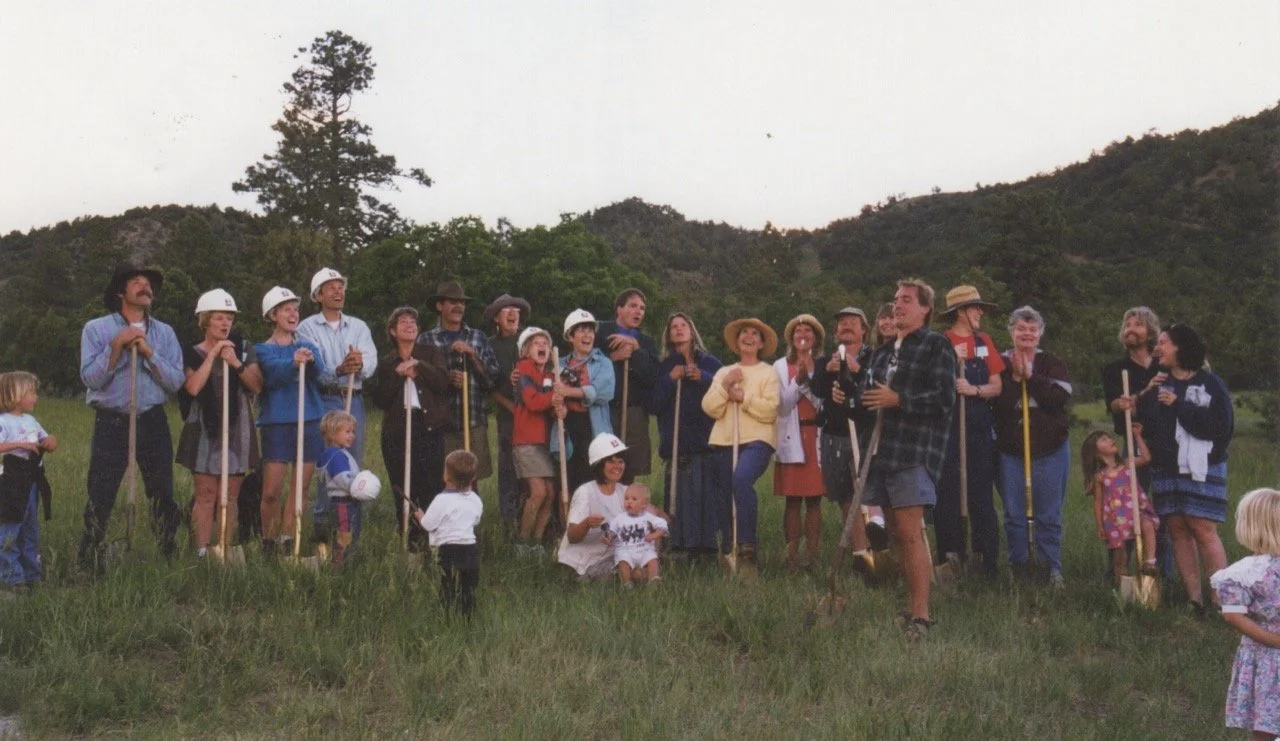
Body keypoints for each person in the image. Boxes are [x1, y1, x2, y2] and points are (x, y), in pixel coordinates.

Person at [862, 279, 956, 639]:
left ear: (924, 308)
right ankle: (911, 604)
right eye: (895, 299)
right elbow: (867, 397)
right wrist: (848, 395)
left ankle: (921, 616)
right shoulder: (882, 353)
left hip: (915, 449)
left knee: (909, 531)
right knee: (896, 533)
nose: (897, 305)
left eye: (906, 300)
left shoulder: (936, 345)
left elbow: (944, 398)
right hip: (881, 451)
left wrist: (899, 399)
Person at [78, 263, 185, 569]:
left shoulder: (165, 332)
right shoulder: (96, 329)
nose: (145, 285)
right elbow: (91, 379)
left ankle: (167, 554)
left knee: (162, 490)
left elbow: (176, 381)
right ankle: (89, 560)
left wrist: (149, 353)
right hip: (112, 421)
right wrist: (116, 346)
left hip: (152, 420)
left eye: (148, 282)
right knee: (101, 491)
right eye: (136, 281)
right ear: (120, 292)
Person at [1148, 323, 1234, 614]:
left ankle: (1221, 600)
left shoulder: (1210, 383)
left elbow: (1221, 428)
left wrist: (1179, 405)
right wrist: (1147, 394)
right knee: (1177, 530)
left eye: (1163, 342)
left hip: (1203, 468)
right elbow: (1148, 423)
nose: (1157, 348)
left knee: (1203, 530)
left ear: (1180, 348)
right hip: (1166, 468)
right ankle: (1194, 599)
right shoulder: (1160, 382)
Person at [177, 289, 264, 557]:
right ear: (205, 320)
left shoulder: (243, 348)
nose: (226, 323)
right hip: (204, 426)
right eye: (219, 318)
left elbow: (257, 386)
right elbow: (193, 387)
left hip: (237, 426)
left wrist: (235, 362)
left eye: (229, 318)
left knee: (230, 494)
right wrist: (214, 353)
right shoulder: (191, 351)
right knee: (205, 493)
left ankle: (224, 549)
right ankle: (202, 550)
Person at [296, 268, 378, 545]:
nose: (338, 291)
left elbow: (370, 361)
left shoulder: (359, 326)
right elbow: (315, 368)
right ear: (318, 296)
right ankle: (322, 524)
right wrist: (340, 369)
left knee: (351, 460)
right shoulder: (306, 328)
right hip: (325, 399)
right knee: (329, 460)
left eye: (341, 286)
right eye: (331, 287)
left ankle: (349, 526)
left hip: (353, 398)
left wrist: (359, 364)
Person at [993, 306, 1072, 587]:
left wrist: (1030, 377)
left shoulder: (1052, 362)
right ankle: (1018, 568)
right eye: (1021, 328)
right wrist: (1015, 380)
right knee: (1014, 515)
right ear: (1011, 332)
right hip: (1010, 451)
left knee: (1048, 515)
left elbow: (1057, 399)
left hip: (1050, 449)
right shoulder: (999, 363)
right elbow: (997, 405)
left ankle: (1051, 570)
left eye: (1032, 329)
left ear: (1040, 333)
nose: (1026, 333)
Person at [934, 285, 1004, 577]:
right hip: (948, 431)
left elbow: (997, 386)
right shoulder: (941, 343)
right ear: (961, 312)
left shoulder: (984, 341)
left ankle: (986, 565)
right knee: (947, 497)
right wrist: (951, 383)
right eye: (976, 308)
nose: (980, 313)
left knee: (981, 496)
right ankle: (949, 562)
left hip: (978, 429)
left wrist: (973, 389)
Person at [701, 317, 781, 567]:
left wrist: (743, 397)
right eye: (744, 333)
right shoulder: (724, 372)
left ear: (761, 343)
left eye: (755, 334)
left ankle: (747, 543)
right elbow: (710, 408)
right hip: (724, 441)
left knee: (742, 478)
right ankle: (730, 550)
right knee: (725, 494)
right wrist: (725, 386)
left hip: (757, 440)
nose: (749, 337)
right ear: (736, 342)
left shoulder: (768, 372)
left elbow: (771, 410)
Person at [254, 286, 327, 554]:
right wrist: (293, 363)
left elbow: (320, 371)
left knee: (300, 488)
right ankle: (269, 541)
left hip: (309, 421)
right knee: (271, 490)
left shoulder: (307, 345)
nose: (293, 314)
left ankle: (288, 540)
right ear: (273, 315)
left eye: (296, 309)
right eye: (286, 310)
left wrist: (310, 360)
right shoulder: (262, 350)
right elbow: (272, 375)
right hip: (277, 424)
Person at [1100, 306, 1172, 577]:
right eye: (1127, 325)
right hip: (1134, 446)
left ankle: (1161, 576)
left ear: (1150, 332)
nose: (1130, 329)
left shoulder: (1164, 365)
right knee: (1125, 510)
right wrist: (1124, 402)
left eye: (1137, 325)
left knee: (1164, 513)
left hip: (1166, 446)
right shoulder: (1115, 369)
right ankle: (1118, 575)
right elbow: (1113, 405)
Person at [811, 307, 884, 570]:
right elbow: (817, 389)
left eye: (853, 321)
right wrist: (828, 371)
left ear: (864, 329)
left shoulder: (875, 357)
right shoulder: (825, 360)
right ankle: (860, 554)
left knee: (867, 493)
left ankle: (881, 552)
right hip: (835, 435)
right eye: (842, 322)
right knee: (845, 497)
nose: (847, 325)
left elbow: (877, 386)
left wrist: (857, 369)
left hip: (865, 434)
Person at [372, 307, 450, 552]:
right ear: (393, 331)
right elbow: (380, 399)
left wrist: (420, 367)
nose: (410, 325)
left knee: (432, 487)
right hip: (397, 431)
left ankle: (432, 544)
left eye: (413, 322)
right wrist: (398, 374)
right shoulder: (387, 362)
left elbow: (443, 382)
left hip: (428, 428)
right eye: (404, 322)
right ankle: (411, 545)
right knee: (404, 488)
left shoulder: (431, 353)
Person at [648, 312, 725, 560]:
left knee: (707, 496)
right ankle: (679, 546)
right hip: (677, 443)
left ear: (692, 331)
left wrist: (703, 378)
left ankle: (708, 548)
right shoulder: (664, 366)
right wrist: (671, 378)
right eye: (674, 327)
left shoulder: (710, 363)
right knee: (680, 496)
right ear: (669, 335)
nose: (679, 329)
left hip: (707, 441)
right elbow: (653, 404)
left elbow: (725, 389)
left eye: (683, 325)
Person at [1210, 488, 1280, 739]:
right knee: (1268, 720)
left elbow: (1233, 615)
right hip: (1267, 655)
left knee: (1267, 725)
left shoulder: (1248, 571)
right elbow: (1233, 614)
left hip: (1267, 654)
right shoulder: (1248, 572)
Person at [417, 282, 501, 481]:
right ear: (440, 306)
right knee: (444, 479)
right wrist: (446, 378)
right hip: (440, 424)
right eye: (453, 302)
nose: (459, 307)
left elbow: (492, 379)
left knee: (472, 478)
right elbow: (420, 383)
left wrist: (472, 355)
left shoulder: (478, 337)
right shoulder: (425, 340)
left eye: (462, 303)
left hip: (472, 421)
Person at [773, 314, 826, 568]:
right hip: (791, 437)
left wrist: (808, 383)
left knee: (815, 499)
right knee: (793, 499)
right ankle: (791, 556)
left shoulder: (824, 365)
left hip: (816, 436)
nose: (802, 335)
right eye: (798, 331)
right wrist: (799, 380)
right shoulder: (780, 367)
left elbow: (822, 404)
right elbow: (782, 406)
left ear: (815, 337)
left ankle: (811, 556)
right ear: (791, 337)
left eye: (808, 331)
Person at [595, 288, 659, 484]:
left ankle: (626, 502)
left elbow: (652, 376)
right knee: (601, 462)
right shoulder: (600, 332)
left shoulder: (646, 342)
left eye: (642, 308)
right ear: (619, 309)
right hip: (604, 410)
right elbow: (588, 366)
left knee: (628, 467)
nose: (638, 311)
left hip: (633, 412)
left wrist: (636, 350)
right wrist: (614, 358)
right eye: (633, 306)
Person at [0, 372, 56, 591]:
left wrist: (50, 441)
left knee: (29, 528)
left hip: (31, 482)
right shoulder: (3, 422)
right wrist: (18, 445)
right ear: (15, 394)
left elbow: (45, 439)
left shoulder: (31, 421)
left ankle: (32, 574)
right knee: (10, 528)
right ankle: (11, 577)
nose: (36, 397)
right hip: (10, 483)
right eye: (31, 392)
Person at [1081, 426, 1158, 582]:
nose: (1110, 440)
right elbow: (1098, 501)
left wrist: (1137, 436)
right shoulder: (1100, 476)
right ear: (1096, 452)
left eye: (1109, 437)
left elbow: (1146, 458)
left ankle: (1150, 563)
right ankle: (1121, 580)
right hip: (1116, 517)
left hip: (1136, 511)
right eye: (1104, 439)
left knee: (1147, 525)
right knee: (1120, 552)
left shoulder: (1127, 464)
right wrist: (1100, 525)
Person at [550, 309, 615, 493]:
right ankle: (569, 512)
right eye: (581, 330)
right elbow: (549, 394)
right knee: (567, 481)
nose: (588, 335)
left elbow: (604, 393)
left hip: (592, 427)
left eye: (590, 330)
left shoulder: (603, 363)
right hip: (566, 425)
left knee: (593, 479)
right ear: (570, 336)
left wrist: (568, 391)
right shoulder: (558, 364)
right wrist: (557, 405)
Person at [414, 450, 484, 618]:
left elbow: (428, 524)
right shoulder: (475, 499)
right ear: (473, 477)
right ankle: (468, 617)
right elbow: (476, 520)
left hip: (449, 551)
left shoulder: (441, 500)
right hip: (471, 549)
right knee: (468, 588)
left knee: (448, 587)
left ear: (446, 476)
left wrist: (420, 516)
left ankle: (447, 618)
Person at [483, 293, 531, 534]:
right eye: (506, 310)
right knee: (509, 472)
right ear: (496, 318)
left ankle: (533, 525)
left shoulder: (531, 339)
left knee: (534, 473)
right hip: (508, 418)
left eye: (516, 309)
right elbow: (489, 386)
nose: (513, 313)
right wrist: (512, 408)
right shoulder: (490, 346)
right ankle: (510, 528)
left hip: (537, 416)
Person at [557, 433, 630, 581]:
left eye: (620, 461)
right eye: (611, 462)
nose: (617, 466)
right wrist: (586, 524)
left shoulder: (625, 491)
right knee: (632, 571)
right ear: (599, 464)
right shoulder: (586, 492)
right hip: (583, 563)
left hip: (612, 556)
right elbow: (572, 536)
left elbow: (650, 514)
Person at [512, 326, 558, 555]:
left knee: (550, 493)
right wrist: (555, 397)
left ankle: (537, 542)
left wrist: (558, 397)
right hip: (526, 440)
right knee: (538, 492)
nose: (542, 346)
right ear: (526, 351)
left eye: (545, 343)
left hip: (545, 442)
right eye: (536, 344)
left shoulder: (550, 375)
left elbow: (550, 405)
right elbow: (533, 402)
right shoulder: (523, 369)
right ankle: (522, 542)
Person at [315, 411, 379, 566]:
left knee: (349, 532)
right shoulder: (336, 456)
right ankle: (340, 565)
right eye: (347, 432)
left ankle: (345, 561)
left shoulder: (339, 453)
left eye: (353, 432)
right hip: (343, 503)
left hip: (347, 501)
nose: (352, 436)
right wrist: (360, 487)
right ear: (332, 434)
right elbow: (344, 479)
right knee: (345, 534)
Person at [602, 483, 670, 586]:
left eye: (634, 499)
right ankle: (627, 583)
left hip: (644, 548)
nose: (629, 502)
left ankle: (653, 579)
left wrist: (655, 534)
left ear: (644, 504)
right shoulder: (619, 518)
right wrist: (609, 537)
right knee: (623, 562)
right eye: (626, 498)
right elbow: (611, 530)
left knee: (653, 559)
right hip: (625, 549)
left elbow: (662, 524)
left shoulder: (648, 517)